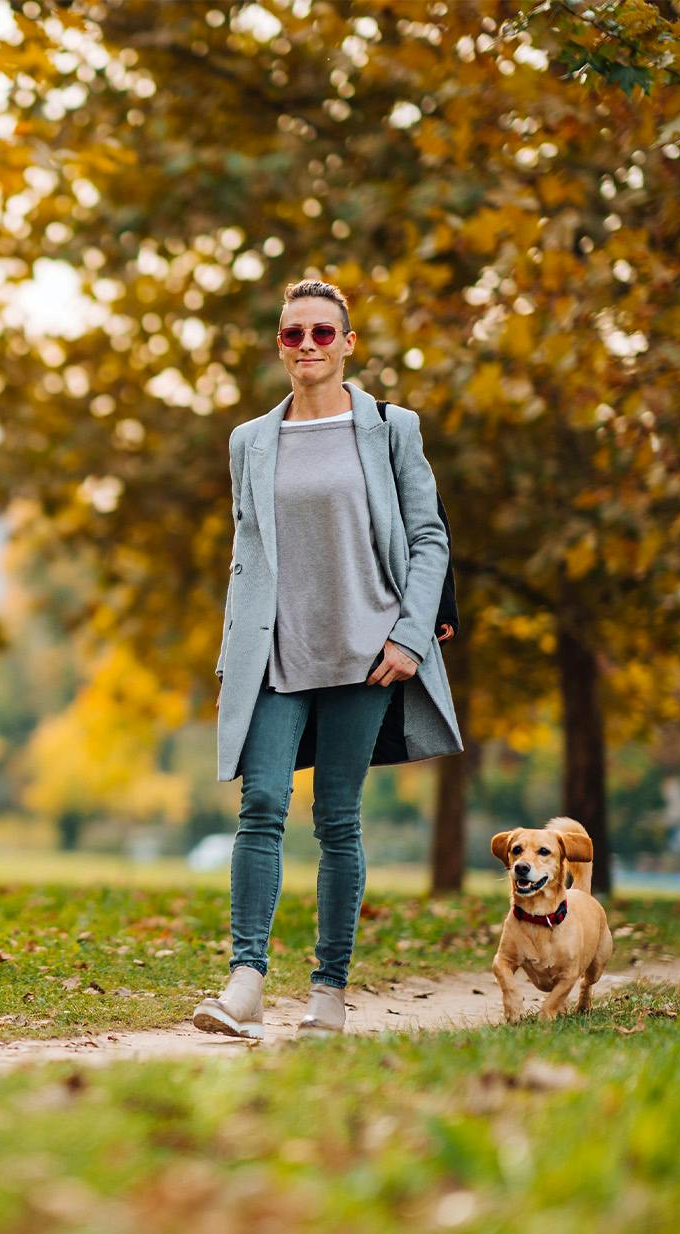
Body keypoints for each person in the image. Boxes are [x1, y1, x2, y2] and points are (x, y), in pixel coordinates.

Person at [196, 279, 463, 1040]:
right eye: (292, 335)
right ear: (280, 347)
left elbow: (429, 537)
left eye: (321, 333)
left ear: (348, 344)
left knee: (338, 820)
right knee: (262, 807)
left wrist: (410, 635)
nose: (307, 345)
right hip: (277, 655)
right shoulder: (250, 440)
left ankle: (328, 994)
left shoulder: (389, 428)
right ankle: (244, 983)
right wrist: (232, 658)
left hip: (365, 655)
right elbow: (245, 557)